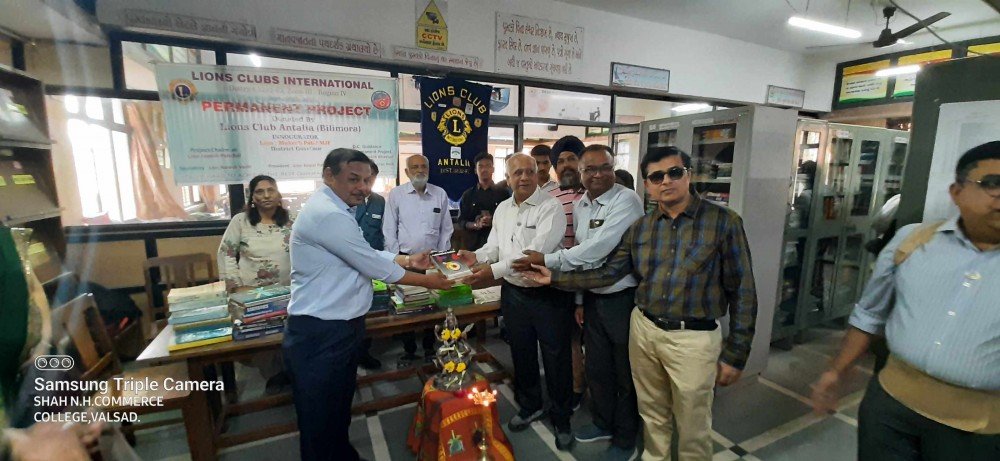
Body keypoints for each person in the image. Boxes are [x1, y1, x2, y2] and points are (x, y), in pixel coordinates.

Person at [524, 146, 758, 461]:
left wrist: (737, 353)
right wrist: (555, 279)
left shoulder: (722, 222)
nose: (666, 181)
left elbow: (743, 289)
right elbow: (609, 272)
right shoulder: (643, 227)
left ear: (688, 175)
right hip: (645, 328)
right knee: (652, 413)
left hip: (692, 336)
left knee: (692, 423)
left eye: (675, 172)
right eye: (656, 176)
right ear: (647, 184)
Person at [811, 141, 1000, 461]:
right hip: (890, 409)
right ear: (957, 192)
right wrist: (837, 370)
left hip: (978, 429)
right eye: (993, 183)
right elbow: (870, 312)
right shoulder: (913, 241)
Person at [283, 148, 453, 461]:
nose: (362, 187)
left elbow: (364, 252)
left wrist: (406, 259)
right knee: (319, 419)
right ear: (329, 175)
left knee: (336, 411)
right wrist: (432, 281)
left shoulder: (338, 208)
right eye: (353, 179)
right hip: (321, 332)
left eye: (366, 180)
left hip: (341, 327)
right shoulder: (329, 214)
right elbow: (374, 266)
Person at [515, 145, 644, 460]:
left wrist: (547, 260)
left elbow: (597, 249)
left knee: (624, 374)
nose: (597, 174)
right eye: (590, 169)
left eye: (604, 167)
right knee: (597, 369)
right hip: (592, 298)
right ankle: (603, 422)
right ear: (581, 173)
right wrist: (579, 300)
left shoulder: (626, 200)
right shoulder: (582, 203)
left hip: (621, 300)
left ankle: (625, 438)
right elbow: (584, 257)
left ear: (614, 168)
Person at [455, 153, 575, 450]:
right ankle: (530, 405)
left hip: (548, 294)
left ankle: (562, 418)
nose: (524, 177)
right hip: (514, 293)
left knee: (556, 358)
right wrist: (476, 256)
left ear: (537, 174)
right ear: (507, 178)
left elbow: (531, 256)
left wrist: (492, 271)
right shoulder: (503, 209)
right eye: (517, 173)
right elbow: (494, 246)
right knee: (521, 353)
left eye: (529, 171)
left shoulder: (551, 208)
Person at [217, 174, 292, 392]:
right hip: (251, 292)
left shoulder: (292, 220)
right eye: (260, 191)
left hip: (288, 290)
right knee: (261, 336)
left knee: (289, 333)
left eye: (271, 190)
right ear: (252, 197)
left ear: (278, 194)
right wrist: (236, 286)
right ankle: (274, 375)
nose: (266, 195)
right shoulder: (240, 222)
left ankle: (291, 371)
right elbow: (226, 253)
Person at [384, 154, 454, 365]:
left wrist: (441, 258)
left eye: (423, 166)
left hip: (433, 262)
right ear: (407, 172)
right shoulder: (396, 194)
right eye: (414, 167)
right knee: (407, 305)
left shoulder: (439, 194)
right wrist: (396, 259)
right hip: (407, 261)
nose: (420, 170)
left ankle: (430, 348)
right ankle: (409, 350)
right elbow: (389, 229)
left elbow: (446, 228)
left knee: (433, 306)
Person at [547, 135, 587, 410]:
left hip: (594, 278)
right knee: (567, 339)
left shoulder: (593, 193)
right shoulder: (550, 198)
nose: (566, 165)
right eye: (560, 162)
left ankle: (597, 389)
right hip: (560, 279)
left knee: (594, 341)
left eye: (572, 159)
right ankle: (574, 388)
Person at [354, 162, 387, 371]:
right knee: (354, 309)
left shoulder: (379, 201)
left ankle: (364, 352)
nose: (367, 182)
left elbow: (384, 232)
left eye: (371, 177)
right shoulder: (348, 201)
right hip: (350, 264)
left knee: (371, 307)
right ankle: (352, 353)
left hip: (375, 263)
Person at [458, 152, 510, 250]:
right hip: (474, 246)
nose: (484, 169)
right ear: (475, 170)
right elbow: (461, 221)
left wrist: (493, 221)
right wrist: (475, 225)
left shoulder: (503, 194)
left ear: (493, 169)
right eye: (480, 166)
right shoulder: (468, 195)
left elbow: (509, 219)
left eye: (488, 166)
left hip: (499, 246)